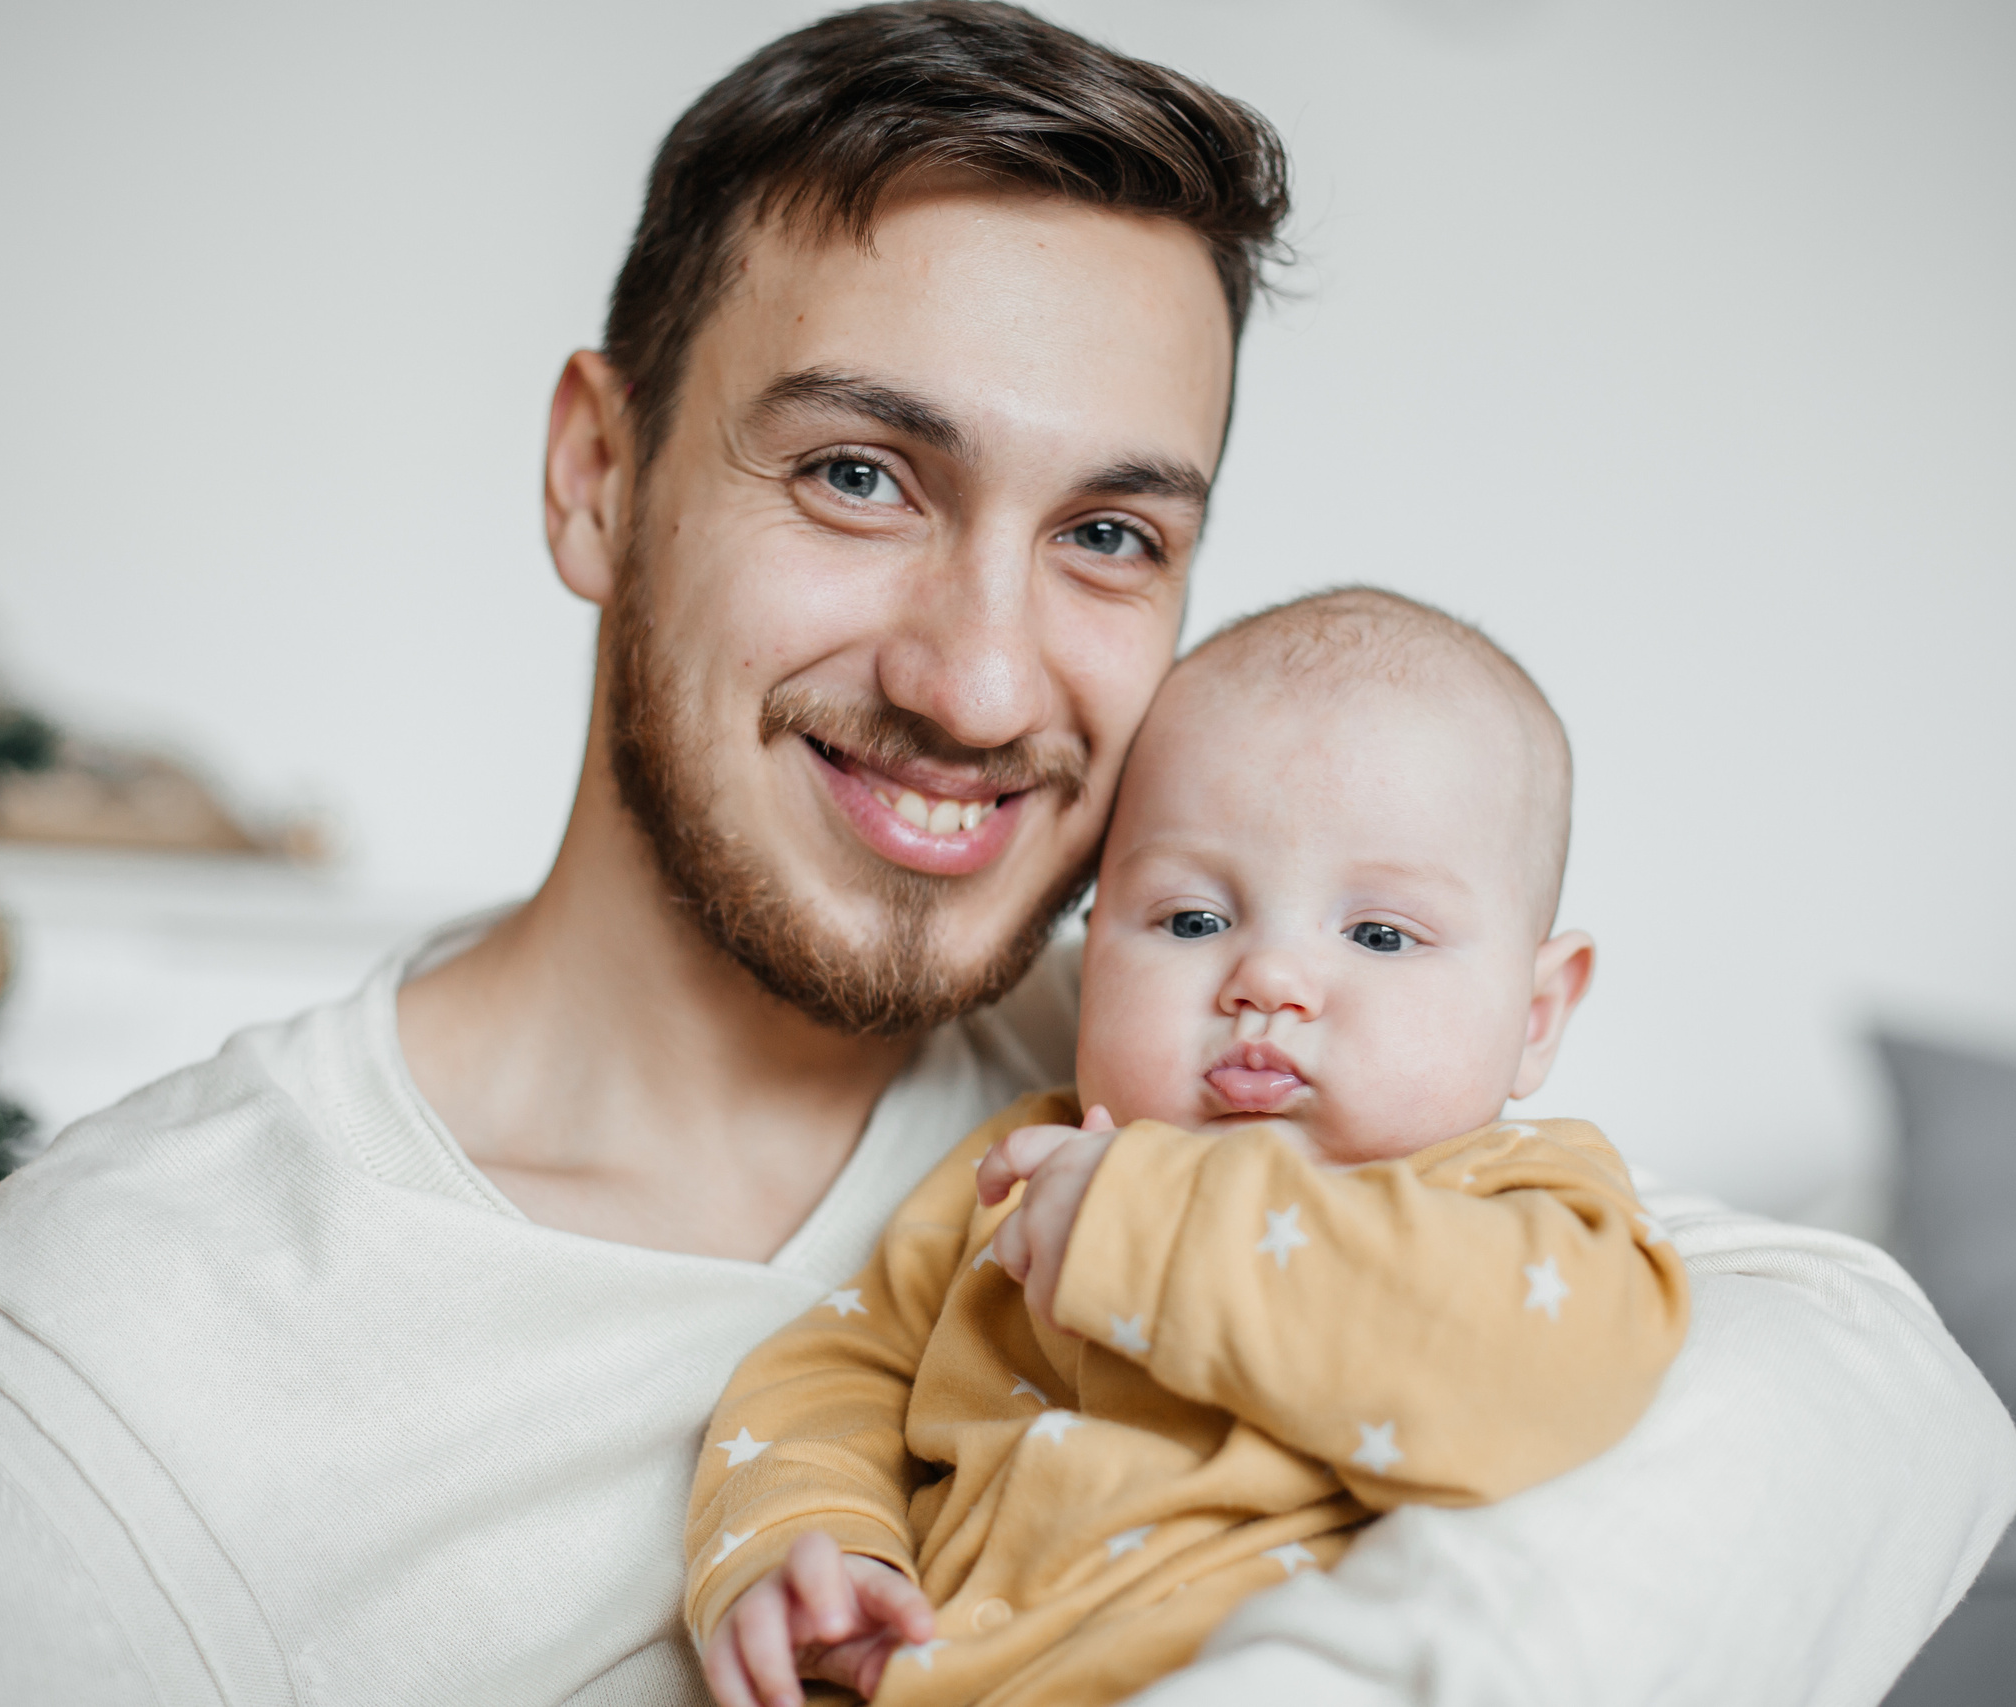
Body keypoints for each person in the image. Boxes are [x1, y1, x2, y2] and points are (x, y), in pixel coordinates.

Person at [0, 6, 2016, 1705]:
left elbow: (1878, 1392)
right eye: (863, 473)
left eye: (1104, 533)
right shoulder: (107, 1362)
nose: (983, 686)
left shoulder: (1175, 1047)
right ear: (597, 475)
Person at [687, 590, 1694, 1707]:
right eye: (1192, 921)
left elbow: (1552, 1369)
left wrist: (1158, 1230)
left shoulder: (1508, 1201)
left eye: (1377, 935)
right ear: (1092, 939)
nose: (1267, 981)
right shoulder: (1029, 1161)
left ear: (1537, 1013)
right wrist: (806, 1549)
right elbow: (834, 1371)